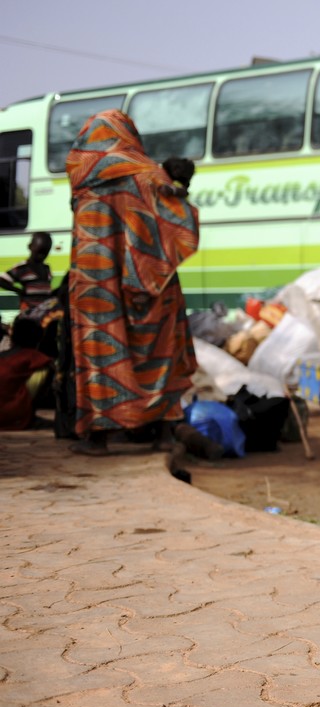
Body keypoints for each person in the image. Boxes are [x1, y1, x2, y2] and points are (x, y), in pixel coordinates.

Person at [64, 110, 200, 455]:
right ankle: (165, 435)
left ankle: (98, 438)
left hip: (96, 287)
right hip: (151, 281)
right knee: (161, 351)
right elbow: (180, 220)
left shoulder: (82, 179)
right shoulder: (149, 174)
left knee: (101, 354)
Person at [0, 318, 53, 431]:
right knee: (47, 370)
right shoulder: (35, 356)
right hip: (11, 413)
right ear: (38, 339)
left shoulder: (2, 355)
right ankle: (27, 415)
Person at [1, 231, 54, 316]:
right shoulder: (22, 268)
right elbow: (2, 281)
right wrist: (19, 291)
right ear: (30, 247)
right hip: (29, 312)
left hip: (45, 313)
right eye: (39, 252)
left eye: (45, 253)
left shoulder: (46, 268)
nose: (41, 256)